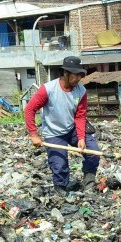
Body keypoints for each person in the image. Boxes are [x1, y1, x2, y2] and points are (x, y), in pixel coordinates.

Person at [24, 56, 99, 193]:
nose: (78, 79)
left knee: (93, 151)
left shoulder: (81, 91)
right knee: (59, 165)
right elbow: (29, 109)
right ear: (65, 73)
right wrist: (34, 134)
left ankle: (88, 181)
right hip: (54, 132)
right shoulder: (48, 89)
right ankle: (61, 189)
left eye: (80, 75)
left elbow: (80, 116)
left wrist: (81, 138)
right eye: (76, 75)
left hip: (72, 129)